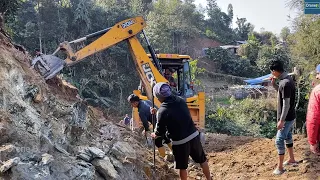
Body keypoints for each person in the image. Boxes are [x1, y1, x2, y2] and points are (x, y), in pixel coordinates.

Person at [150, 82, 211, 180]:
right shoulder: (181, 101)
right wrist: (158, 112)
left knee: (182, 167)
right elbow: (174, 113)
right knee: (202, 160)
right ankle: (209, 178)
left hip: (180, 142)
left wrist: (154, 134)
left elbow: (159, 132)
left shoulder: (162, 111)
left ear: (159, 97)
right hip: (193, 135)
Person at [270, 60, 297, 175]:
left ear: (275, 71)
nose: (272, 74)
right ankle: (291, 159)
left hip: (286, 118)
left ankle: (280, 168)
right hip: (290, 116)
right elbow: (282, 93)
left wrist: (281, 120)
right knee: (288, 136)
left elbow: (286, 104)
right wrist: (274, 85)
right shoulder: (286, 81)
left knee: (279, 140)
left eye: (272, 72)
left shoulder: (285, 83)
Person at [127, 94, 172, 158]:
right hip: (163, 119)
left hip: (158, 123)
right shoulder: (146, 101)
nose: (131, 106)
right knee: (165, 137)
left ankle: (164, 157)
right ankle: (175, 153)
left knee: (157, 142)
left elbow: (145, 123)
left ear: (135, 102)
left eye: (131, 104)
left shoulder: (141, 111)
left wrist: (146, 130)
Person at [306, 64, 320, 155]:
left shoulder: (317, 91)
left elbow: (313, 118)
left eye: (318, 73)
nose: (317, 76)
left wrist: (312, 141)